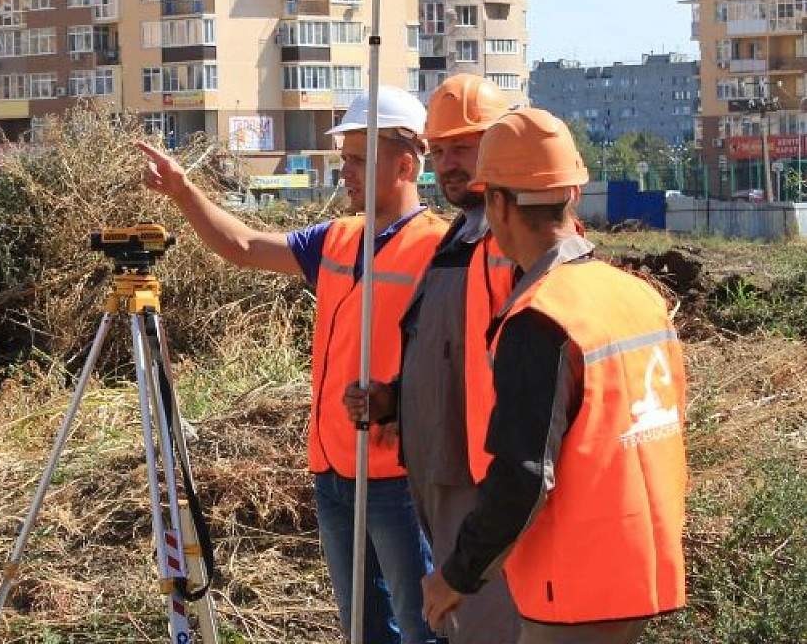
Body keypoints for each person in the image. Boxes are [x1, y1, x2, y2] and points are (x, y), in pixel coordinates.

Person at [138, 87, 444, 643]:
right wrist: (183, 192)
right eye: (343, 159)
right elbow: (248, 246)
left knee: (423, 626)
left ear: (405, 165)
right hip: (332, 467)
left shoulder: (440, 250)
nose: (343, 172)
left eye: (356, 160)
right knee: (363, 627)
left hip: (400, 476)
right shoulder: (337, 238)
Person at [419, 108, 688, 644]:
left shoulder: (541, 318)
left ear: (496, 202)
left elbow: (522, 474)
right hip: (641, 567)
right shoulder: (636, 295)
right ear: (571, 195)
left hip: (573, 584)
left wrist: (457, 574)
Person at [345, 74, 521, 644]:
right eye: (439, 150)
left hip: (488, 478)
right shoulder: (459, 238)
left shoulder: (513, 244)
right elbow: (450, 352)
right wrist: (395, 398)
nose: (447, 163)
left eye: (462, 148)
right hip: (443, 472)